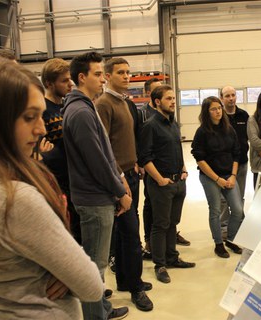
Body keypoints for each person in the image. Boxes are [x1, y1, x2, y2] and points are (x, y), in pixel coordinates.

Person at [0, 58, 103, 319]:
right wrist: (69, 274)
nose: (41, 128)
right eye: (29, 117)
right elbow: (91, 286)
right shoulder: (17, 199)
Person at [62, 51, 131, 320]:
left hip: (98, 195)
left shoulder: (85, 105)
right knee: (95, 266)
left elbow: (104, 153)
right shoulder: (80, 112)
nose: (103, 79)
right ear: (82, 77)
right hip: (94, 199)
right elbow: (97, 161)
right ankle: (95, 316)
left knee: (97, 264)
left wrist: (120, 182)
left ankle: (102, 308)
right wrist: (120, 192)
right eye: (98, 74)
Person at [95, 57, 153, 312]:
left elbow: (129, 138)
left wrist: (137, 163)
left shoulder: (126, 103)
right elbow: (103, 146)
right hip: (118, 179)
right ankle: (136, 287)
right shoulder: (104, 105)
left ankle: (125, 280)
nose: (127, 76)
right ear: (107, 76)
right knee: (130, 233)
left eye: (128, 72)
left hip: (131, 173)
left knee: (124, 231)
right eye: (120, 72)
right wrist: (119, 177)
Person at [139, 85, 196, 283]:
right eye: (168, 98)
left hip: (178, 181)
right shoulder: (150, 126)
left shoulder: (173, 124)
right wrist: (159, 179)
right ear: (157, 102)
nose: (173, 101)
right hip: (161, 183)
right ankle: (160, 264)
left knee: (173, 222)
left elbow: (178, 149)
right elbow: (144, 157)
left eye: (173, 98)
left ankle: (172, 257)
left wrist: (183, 169)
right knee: (160, 224)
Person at [191, 96, 244, 259]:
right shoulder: (202, 132)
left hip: (229, 174)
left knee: (237, 209)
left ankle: (230, 239)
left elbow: (236, 153)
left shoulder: (229, 129)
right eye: (213, 109)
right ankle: (218, 244)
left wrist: (233, 176)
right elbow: (200, 159)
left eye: (219, 108)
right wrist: (217, 179)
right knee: (215, 210)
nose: (218, 111)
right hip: (210, 177)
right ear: (207, 112)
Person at [40, 58, 82, 241]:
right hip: (57, 182)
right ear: (49, 83)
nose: (70, 84)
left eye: (69, 79)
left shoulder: (67, 106)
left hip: (75, 178)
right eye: (64, 80)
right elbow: (39, 149)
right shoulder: (42, 110)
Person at [219, 86, 249, 238]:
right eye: (227, 95)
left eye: (233, 95)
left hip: (242, 163)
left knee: (239, 196)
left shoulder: (244, 115)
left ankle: (238, 223)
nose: (231, 98)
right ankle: (224, 227)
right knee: (223, 198)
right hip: (224, 165)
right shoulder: (219, 116)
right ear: (222, 98)